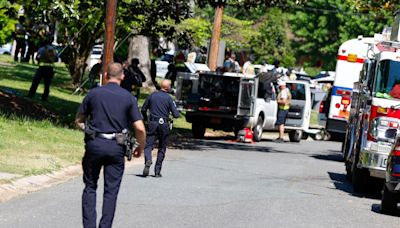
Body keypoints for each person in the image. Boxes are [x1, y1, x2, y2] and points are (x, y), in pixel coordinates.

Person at [75, 62, 146, 228]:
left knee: (90, 187)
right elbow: (140, 128)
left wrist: (90, 131)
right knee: (111, 191)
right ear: (122, 76)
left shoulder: (93, 94)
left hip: (95, 145)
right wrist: (140, 148)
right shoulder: (129, 97)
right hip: (116, 147)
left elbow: (79, 120)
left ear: (105, 76)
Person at [141, 79, 180, 177]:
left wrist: (146, 119)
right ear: (168, 87)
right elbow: (176, 114)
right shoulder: (169, 99)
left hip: (153, 123)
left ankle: (148, 159)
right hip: (164, 125)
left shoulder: (152, 96)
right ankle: (157, 171)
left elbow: (143, 109)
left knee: (148, 145)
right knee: (162, 147)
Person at [27, 37, 58, 101]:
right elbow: (56, 59)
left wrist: (40, 61)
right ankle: (45, 97)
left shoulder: (42, 49)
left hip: (42, 68)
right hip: (50, 69)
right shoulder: (54, 50)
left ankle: (31, 94)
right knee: (47, 84)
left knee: (35, 82)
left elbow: (37, 57)